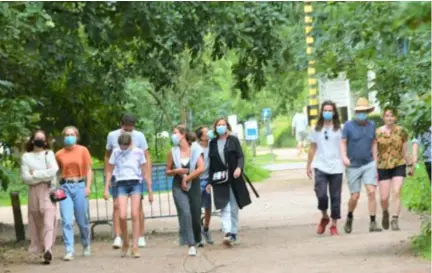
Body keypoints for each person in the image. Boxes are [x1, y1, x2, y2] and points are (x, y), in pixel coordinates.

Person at [104, 114, 151, 249]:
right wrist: (108, 175)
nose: (129, 130)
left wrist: (148, 178)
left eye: (131, 127)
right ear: (121, 125)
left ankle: (140, 236)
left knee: (137, 209)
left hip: (135, 176)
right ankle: (119, 236)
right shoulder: (112, 136)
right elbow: (107, 155)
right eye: (126, 127)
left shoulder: (140, 136)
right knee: (117, 206)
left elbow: (146, 156)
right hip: (118, 175)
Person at [206, 118, 252, 246]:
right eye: (218, 125)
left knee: (233, 207)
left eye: (223, 124)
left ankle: (234, 232)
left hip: (233, 178)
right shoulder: (213, 143)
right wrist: (210, 181)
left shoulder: (233, 140)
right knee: (223, 206)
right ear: (215, 128)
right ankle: (227, 233)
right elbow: (212, 164)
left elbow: (241, 156)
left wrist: (239, 167)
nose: (221, 127)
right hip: (219, 179)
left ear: (227, 126)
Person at [341, 98, 382, 234]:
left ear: (368, 112)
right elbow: (343, 142)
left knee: (371, 192)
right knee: (355, 196)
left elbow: (374, 143)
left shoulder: (371, 125)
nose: (362, 114)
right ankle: (349, 216)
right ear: (356, 112)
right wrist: (344, 157)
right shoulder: (348, 126)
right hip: (353, 165)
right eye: (359, 112)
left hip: (368, 163)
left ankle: (373, 222)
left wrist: (376, 161)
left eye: (364, 111)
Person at [166, 125, 205, 256]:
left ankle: (198, 237)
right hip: (178, 185)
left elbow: (201, 168)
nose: (173, 135)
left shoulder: (195, 149)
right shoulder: (172, 152)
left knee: (195, 213)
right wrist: (176, 171)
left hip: (193, 183)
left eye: (175, 133)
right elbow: (167, 171)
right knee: (185, 212)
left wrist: (187, 178)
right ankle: (191, 243)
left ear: (182, 135)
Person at [21, 130, 59, 264]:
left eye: (43, 139)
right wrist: (43, 175)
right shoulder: (26, 156)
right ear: (32, 140)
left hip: (48, 190)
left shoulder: (49, 154)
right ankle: (41, 247)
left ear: (45, 141)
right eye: (38, 138)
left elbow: (53, 172)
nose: (40, 141)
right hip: (33, 192)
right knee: (37, 222)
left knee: (49, 221)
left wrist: (35, 173)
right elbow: (26, 178)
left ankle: (48, 249)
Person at [306, 101, 344, 236]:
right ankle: (324, 216)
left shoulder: (340, 128)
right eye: (325, 110)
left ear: (334, 113)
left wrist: (345, 159)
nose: (327, 112)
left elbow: (344, 145)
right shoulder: (316, 129)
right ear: (322, 112)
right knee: (321, 194)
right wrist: (308, 165)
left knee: (335, 196)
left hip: (336, 166)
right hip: (320, 165)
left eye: (330, 110)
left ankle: (334, 224)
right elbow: (312, 147)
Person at [56, 126, 93, 261]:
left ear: (76, 136)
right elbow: (57, 172)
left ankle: (86, 243)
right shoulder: (59, 154)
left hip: (79, 186)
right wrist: (56, 189)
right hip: (64, 187)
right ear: (63, 137)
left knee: (82, 219)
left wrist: (87, 187)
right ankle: (69, 249)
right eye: (66, 135)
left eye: (71, 134)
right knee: (66, 220)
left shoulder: (83, 150)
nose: (69, 137)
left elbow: (89, 169)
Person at [195, 126, 214, 245]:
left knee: (208, 206)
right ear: (201, 136)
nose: (209, 133)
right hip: (197, 179)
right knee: (196, 207)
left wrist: (211, 181)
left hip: (207, 179)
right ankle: (197, 234)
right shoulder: (195, 147)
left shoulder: (212, 145)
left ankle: (206, 228)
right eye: (206, 132)